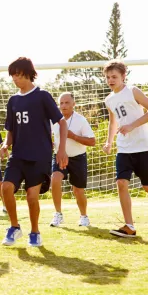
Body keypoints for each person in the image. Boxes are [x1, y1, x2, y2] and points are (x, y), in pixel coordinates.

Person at [102, 60, 148, 237]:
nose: (111, 80)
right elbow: (113, 122)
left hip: (144, 146)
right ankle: (130, 226)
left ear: (123, 77)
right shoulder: (109, 99)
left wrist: (131, 126)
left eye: (114, 77)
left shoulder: (133, 91)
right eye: (107, 77)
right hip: (124, 148)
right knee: (121, 182)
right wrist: (109, 142)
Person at [0, 57, 68, 247]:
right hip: (18, 155)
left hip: (39, 156)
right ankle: (14, 227)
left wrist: (61, 149)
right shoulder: (12, 100)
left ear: (29, 74)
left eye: (19, 75)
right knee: (6, 188)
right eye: (13, 75)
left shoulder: (42, 96)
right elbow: (10, 130)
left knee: (32, 197)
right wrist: (6, 144)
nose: (15, 79)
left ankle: (35, 232)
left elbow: (61, 122)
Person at [50, 92, 96, 227]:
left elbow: (92, 141)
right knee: (55, 179)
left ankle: (84, 216)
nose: (63, 106)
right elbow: (50, 138)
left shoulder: (80, 120)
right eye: (61, 103)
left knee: (78, 191)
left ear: (73, 104)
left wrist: (73, 136)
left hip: (78, 158)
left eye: (67, 103)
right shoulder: (53, 120)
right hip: (59, 156)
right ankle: (58, 214)